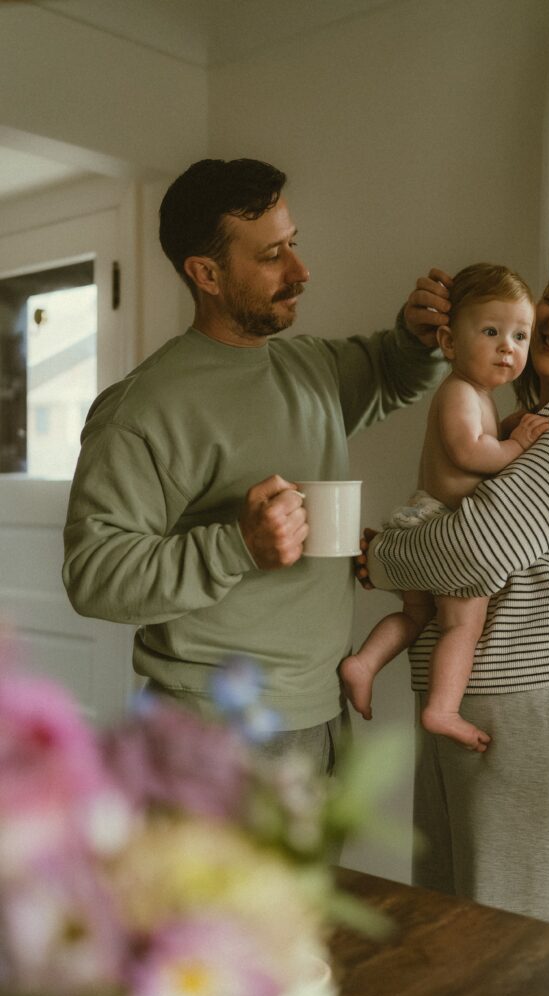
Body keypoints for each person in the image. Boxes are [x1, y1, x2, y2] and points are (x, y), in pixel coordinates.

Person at [62, 157, 448, 771]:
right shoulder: (142, 410)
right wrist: (239, 545)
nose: (300, 270)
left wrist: (418, 333)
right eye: (272, 256)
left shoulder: (310, 369)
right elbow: (96, 575)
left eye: (293, 244)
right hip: (212, 736)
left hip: (322, 712)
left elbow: (390, 369)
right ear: (206, 273)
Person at [359, 238, 549, 933]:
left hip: (547, 694)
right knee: (459, 932)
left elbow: (472, 549)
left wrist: (379, 557)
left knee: (527, 943)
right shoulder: (534, 422)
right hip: (491, 696)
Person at [339, 263, 549, 752]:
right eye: (492, 331)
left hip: (424, 521)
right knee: (463, 623)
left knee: (416, 618)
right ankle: (442, 708)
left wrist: (508, 428)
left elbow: (481, 442)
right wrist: (515, 445)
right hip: (438, 523)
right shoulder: (458, 391)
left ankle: (364, 662)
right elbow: (468, 453)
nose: (508, 347)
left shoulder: (479, 395)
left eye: (521, 335)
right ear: (450, 343)